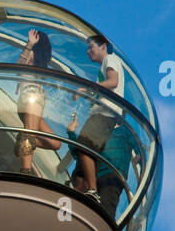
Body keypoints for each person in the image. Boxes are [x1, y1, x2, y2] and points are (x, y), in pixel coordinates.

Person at [68, 34, 124, 202]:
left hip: (104, 114)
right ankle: (84, 192)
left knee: (84, 146)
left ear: (103, 46)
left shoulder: (110, 60)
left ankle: (92, 191)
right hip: (105, 115)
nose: (88, 51)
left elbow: (113, 81)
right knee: (87, 159)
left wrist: (86, 89)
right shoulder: (106, 64)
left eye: (91, 47)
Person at [13, 29, 63, 176]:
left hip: (36, 101)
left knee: (55, 143)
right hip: (31, 96)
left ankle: (23, 139)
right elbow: (19, 67)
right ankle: (26, 171)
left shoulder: (40, 64)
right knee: (30, 135)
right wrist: (30, 44)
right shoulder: (31, 54)